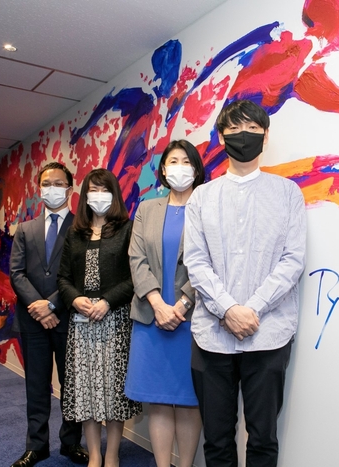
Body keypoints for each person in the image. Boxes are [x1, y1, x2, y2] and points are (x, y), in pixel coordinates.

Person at [184, 100, 307, 467]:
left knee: (264, 438)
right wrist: (227, 309)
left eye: (253, 129)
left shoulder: (287, 193)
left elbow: (292, 260)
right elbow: (196, 262)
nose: (245, 136)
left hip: (268, 333)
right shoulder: (202, 197)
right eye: (235, 129)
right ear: (222, 137)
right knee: (217, 439)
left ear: (266, 137)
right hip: (212, 336)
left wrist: (251, 309)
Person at [125, 140, 206, 467]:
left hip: (192, 320)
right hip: (151, 318)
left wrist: (183, 304)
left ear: (196, 169)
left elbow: (211, 261)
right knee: (158, 400)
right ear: (163, 169)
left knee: (188, 400)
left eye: (186, 161)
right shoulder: (147, 209)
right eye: (173, 161)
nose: (179, 167)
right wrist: (158, 304)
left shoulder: (206, 207)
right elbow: (136, 258)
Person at [57, 169, 141, 467]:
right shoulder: (75, 233)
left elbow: (134, 278)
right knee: (86, 393)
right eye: (93, 189)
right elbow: (63, 278)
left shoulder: (127, 229)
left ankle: (112, 455)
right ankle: (94, 455)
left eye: (104, 189)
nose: (98, 195)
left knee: (113, 393)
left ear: (114, 194)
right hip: (81, 325)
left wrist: (107, 301)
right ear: (84, 195)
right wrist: (74, 299)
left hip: (115, 321)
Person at [9, 162, 88, 467]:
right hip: (33, 319)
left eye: (58, 183)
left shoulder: (82, 228)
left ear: (69, 188)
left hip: (69, 318)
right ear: (39, 188)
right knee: (36, 384)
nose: (51, 189)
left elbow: (81, 276)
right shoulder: (25, 229)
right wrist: (39, 308)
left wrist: (52, 305)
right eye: (46, 183)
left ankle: (71, 443)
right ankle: (37, 446)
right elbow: (17, 274)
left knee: (72, 385)